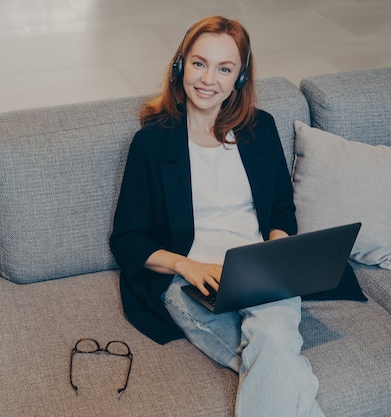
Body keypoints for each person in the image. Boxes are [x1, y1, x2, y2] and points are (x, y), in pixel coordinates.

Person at [109, 15, 325, 417]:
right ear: (180, 66)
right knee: (277, 356)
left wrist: (277, 252)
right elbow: (127, 239)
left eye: (224, 68)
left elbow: (281, 209)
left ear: (240, 78)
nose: (209, 79)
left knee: (272, 338)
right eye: (199, 63)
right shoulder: (151, 144)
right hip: (188, 278)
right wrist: (185, 265)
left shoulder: (261, 129)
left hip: (259, 271)